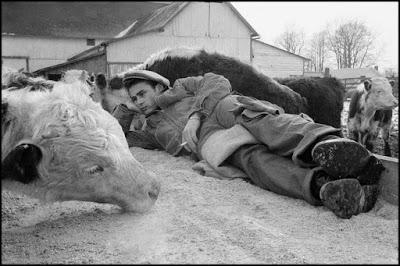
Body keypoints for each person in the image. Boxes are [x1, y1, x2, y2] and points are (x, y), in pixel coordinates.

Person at [112, 70, 385, 219]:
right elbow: (120, 139)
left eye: (142, 94)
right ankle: (323, 186)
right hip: (207, 141)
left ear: (158, 87)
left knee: (259, 120)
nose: (139, 102)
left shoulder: (182, 86)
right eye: (134, 99)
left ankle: (329, 144)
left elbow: (218, 81)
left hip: (219, 109)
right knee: (249, 160)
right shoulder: (150, 130)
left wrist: (195, 115)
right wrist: (124, 110)